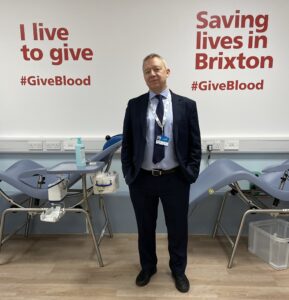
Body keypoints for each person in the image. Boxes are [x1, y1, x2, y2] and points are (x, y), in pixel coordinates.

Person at [121, 53, 201, 293]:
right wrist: (128, 174)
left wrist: (192, 171)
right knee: (145, 227)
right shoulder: (134, 105)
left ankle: (178, 270)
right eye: (147, 71)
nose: (152, 74)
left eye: (156, 69)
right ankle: (148, 267)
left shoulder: (187, 105)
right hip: (142, 179)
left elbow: (195, 143)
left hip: (175, 178)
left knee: (178, 228)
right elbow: (128, 143)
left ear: (168, 71)